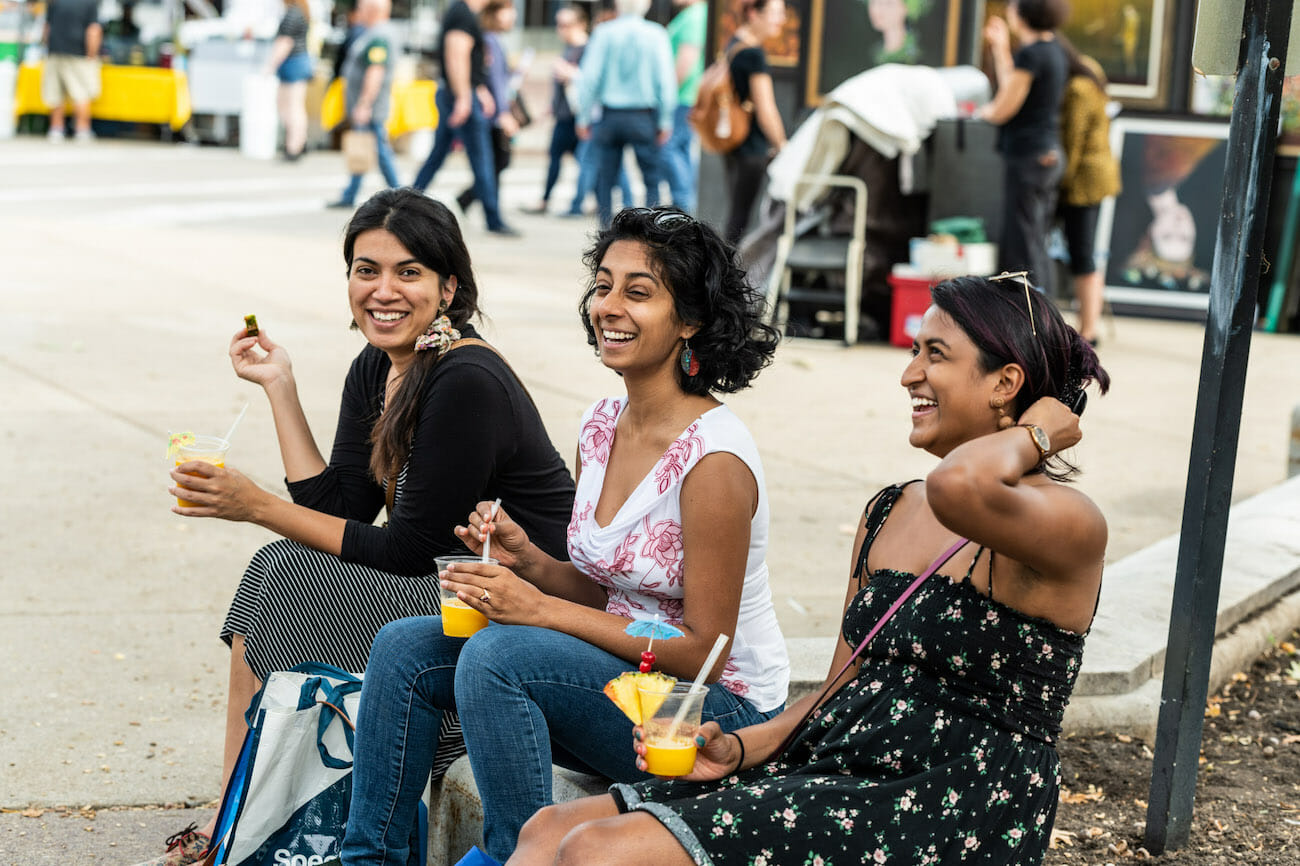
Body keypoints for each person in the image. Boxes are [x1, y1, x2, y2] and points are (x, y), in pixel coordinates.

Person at [511, 272, 1111, 866]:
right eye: (912, 351)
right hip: (837, 762)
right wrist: (738, 748)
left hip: (954, 799)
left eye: (935, 354)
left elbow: (960, 485)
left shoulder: (1069, 523)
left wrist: (1041, 430)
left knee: (597, 851)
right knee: (547, 832)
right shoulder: (892, 509)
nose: (909, 374)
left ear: (1006, 381)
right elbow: (839, 689)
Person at [336, 206, 789, 865]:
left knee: (501, 655)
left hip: (710, 712)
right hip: (622, 681)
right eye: (603, 286)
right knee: (405, 646)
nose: (609, 306)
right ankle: (367, 859)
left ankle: (517, 856)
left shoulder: (713, 462)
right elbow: (612, 593)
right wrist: (532, 561)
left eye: (639, 292)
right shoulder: (603, 424)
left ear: (689, 320)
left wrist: (540, 611)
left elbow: (703, 654)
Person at [136, 189, 576, 866]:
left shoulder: (466, 381)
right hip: (447, 595)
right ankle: (240, 811)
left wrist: (254, 503)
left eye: (408, 273)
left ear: (448, 287)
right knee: (282, 565)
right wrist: (279, 387)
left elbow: (408, 551)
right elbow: (341, 511)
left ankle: (241, 818)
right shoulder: (380, 365)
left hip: (518, 618)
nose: (383, 291)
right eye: (365, 270)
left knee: (280, 567)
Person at [978, 0, 1069, 297]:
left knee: (1022, 242)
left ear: (1023, 14)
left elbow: (1005, 107)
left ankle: (1031, 316)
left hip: (1028, 156)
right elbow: (1013, 87)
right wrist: (1001, 48)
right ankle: (1044, 314)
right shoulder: (1053, 50)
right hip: (1047, 154)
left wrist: (981, 112)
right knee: (1036, 238)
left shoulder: (1032, 55)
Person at [411, 0, 520, 236]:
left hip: (460, 93)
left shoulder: (465, 13)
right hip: (459, 96)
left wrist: (477, 90)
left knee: (438, 154)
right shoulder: (462, 13)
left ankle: (408, 201)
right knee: (482, 161)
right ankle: (494, 219)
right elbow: (456, 55)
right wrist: (464, 97)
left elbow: (467, 62)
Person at [520, 4, 633, 217]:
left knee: (595, 163)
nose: (560, 29)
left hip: (586, 116)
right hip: (568, 115)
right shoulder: (568, 49)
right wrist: (551, 107)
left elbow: (592, 82)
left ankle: (590, 206)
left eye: (565, 24)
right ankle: (585, 204)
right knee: (580, 160)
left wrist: (572, 75)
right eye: (558, 24)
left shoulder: (591, 47)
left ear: (580, 24)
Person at [575, 0, 677, 228]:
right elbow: (666, 83)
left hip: (610, 115)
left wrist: (583, 117)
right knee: (651, 177)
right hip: (643, 116)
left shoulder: (604, 33)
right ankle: (652, 230)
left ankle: (606, 230)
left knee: (606, 178)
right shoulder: (656, 34)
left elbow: (589, 79)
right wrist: (665, 120)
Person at [1057, 38, 1120, 345]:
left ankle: (1088, 330)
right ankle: (1088, 325)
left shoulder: (1078, 87)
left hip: (1084, 180)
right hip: (1097, 174)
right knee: (1085, 251)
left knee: (1082, 253)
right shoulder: (1090, 70)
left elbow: (1073, 141)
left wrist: (1060, 181)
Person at [721, 0, 788, 245]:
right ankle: (724, 276)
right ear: (753, 13)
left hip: (734, 142)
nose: (782, 20)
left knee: (736, 214)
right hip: (751, 148)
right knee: (739, 219)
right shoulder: (753, 54)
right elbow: (766, 108)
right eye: (776, 13)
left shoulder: (734, 44)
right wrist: (782, 145)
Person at [327, 0, 402, 209]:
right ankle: (350, 194)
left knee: (380, 150)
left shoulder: (379, 36)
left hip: (370, 107)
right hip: (367, 107)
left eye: (361, 8)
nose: (357, 12)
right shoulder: (372, 33)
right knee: (365, 148)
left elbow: (375, 71)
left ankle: (401, 195)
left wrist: (364, 103)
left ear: (372, 10)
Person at [455, 0, 523, 214]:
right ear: (494, 13)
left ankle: (472, 201)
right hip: (491, 113)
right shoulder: (489, 40)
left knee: (494, 163)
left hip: (491, 112)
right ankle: (481, 207)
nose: (513, 15)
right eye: (507, 10)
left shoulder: (494, 40)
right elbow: (492, 80)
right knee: (495, 162)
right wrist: (503, 114)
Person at [661, 0, 707, 214]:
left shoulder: (694, 16)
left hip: (682, 96)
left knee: (669, 147)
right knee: (681, 149)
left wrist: (666, 95)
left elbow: (686, 60)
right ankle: (685, 199)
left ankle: (683, 201)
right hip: (686, 96)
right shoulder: (694, 14)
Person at [42, 0, 102, 142]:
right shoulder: (89, 3)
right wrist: (91, 55)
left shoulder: (54, 2)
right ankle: (82, 129)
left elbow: (46, 28)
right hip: (79, 52)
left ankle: (56, 129)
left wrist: (47, 47)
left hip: (54, 51)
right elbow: (93, 30)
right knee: (81, 93)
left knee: (55, 92)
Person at [264, 0, 314, 161]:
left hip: (293, 62)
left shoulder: (293, 13)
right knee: (290, 106)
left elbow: (285, 42)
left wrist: (270, 66)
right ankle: (299, 142)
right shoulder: (300, 11)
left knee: (292, 107)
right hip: (296, 62)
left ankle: (294, 147)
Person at [868, 0, 926, 65]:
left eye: (888, 3)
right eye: (874, 3)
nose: (877, 10)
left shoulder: (919, 50)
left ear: (906, 8)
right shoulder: (873, 53)